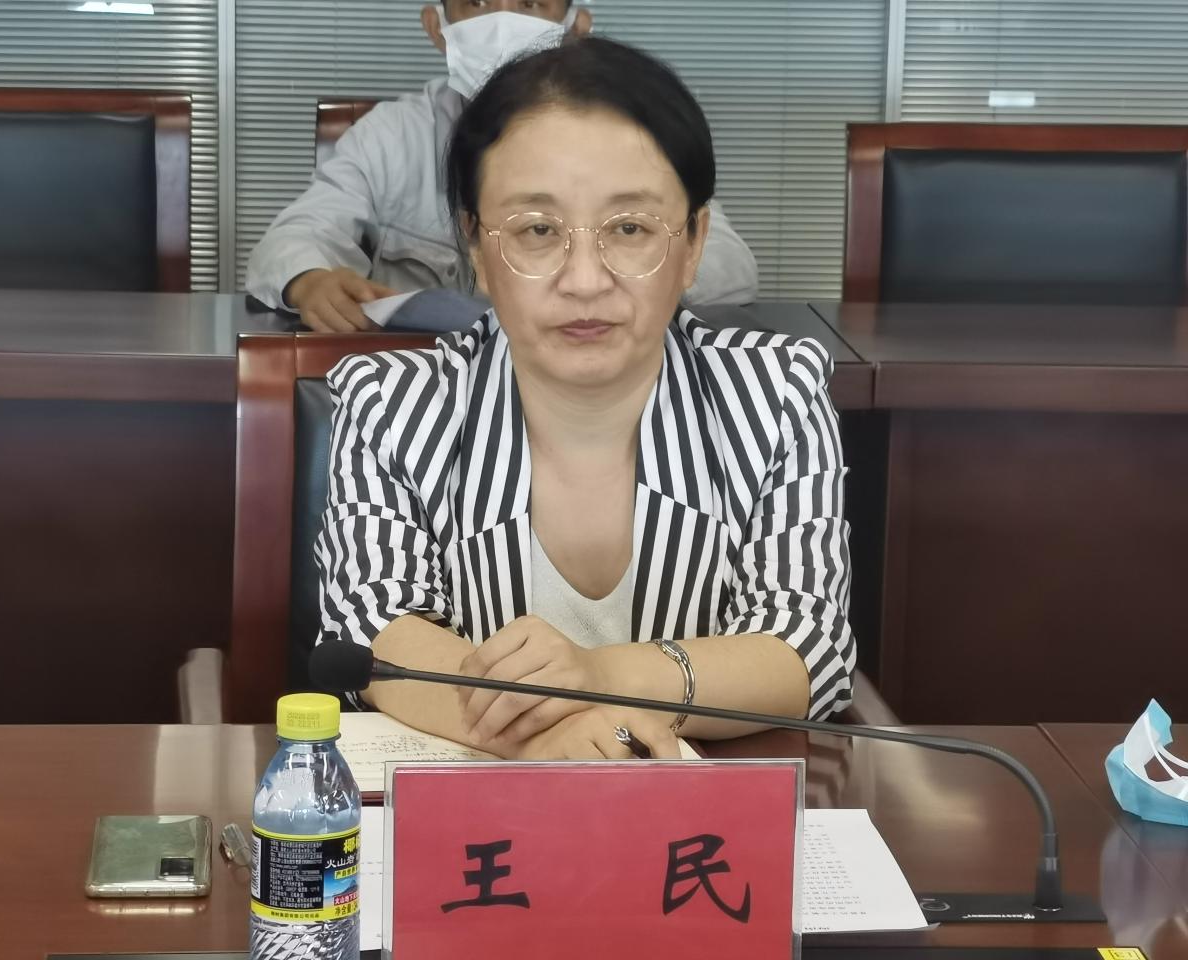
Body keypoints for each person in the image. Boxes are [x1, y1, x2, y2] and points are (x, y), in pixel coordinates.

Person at [314, 37, 854, 761]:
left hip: (704, 816)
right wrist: (551, 736)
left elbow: (807, 646)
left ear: (694, 242)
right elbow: (376, 633)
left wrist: (599, 680)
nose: (585, 280)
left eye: (629, 229)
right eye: (537, 231)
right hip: (483, 818)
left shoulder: (774, 393)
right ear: (476, 247)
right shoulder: (394, 404)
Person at [246, 1, 760, 333]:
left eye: (531, 3)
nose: (501, 20)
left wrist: (620, 276)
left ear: (576, 26)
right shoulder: (388, 135)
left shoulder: (631, 131)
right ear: (437, 27)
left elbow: (727, 266)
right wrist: (309, 279)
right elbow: (298, 235)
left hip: (585, 378)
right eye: (476, 3)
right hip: (425, 385)